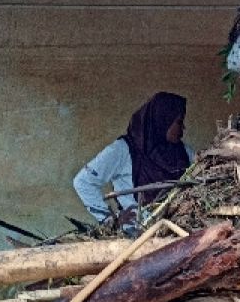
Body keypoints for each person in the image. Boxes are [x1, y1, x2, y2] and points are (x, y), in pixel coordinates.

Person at [73, 92, 194, 228]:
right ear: (163, 120)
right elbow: (83, 182)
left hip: (176, 231)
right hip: (136, 235)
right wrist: (110, 219)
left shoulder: (184, 152)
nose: (183, 128)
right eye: (179, 122)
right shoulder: (123, 150)